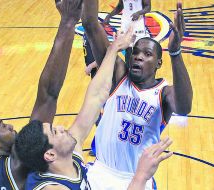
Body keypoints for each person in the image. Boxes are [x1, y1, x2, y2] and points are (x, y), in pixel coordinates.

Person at [15, 26, 173, 190]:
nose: (62, 127)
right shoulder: (52, 188)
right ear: (50, 154)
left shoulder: (70, 160)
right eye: (55, 132)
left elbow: (95, 98)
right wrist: (140, 176)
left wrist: (114, 48)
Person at [0, 0, 83, 189]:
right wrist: (68, 22)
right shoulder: (14, 165)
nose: (11, 126)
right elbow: (48, 95)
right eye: (2, 126)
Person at [82, 0, 193, 189]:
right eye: (136, 52)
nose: (139, 56)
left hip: (135, 179)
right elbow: (91, 25)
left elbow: (184, 107)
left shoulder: (163, 93)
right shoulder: (118, 76)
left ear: (158, 63)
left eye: (147, 54)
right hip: (100, 173)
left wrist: (175, 52)